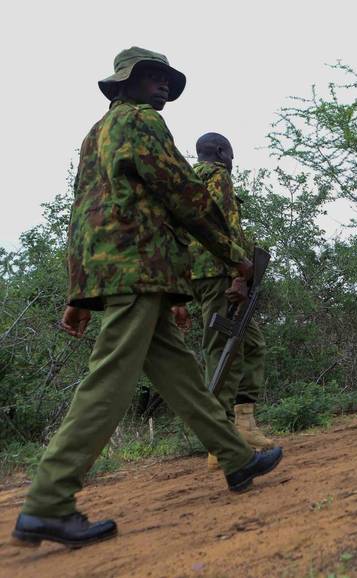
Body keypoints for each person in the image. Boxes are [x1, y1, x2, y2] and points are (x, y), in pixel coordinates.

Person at [10, 47, 282, 549]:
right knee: (109, 377)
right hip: (139, 267)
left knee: (178, 369)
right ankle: (48, 501)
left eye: (164, 79)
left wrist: (79, 291)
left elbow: (83, 214)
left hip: (128, 269)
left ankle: (236, 458)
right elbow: (183, 193)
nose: (160, 86)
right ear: (124, 84)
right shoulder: (142, 124)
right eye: (149, 77)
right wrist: (232, 253)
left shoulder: (96, 134)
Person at [186, 133, 274, 469]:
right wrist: (239, 274)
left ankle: (245, 424)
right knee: (224, 348)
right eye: (232, 155)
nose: (233, 162)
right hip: (221, 273)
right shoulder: (219, 178)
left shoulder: (186, 181)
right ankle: (220, 440)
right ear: (221, 153)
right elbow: (228, 229)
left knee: (251, 345)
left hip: (198, 275)